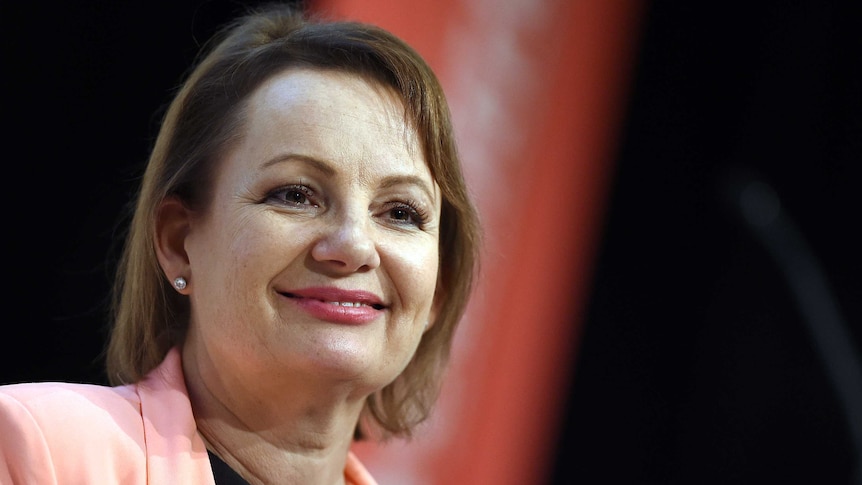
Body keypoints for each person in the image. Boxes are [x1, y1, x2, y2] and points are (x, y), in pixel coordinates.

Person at [0, 3, 481, 484]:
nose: (353, 245)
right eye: (296, 195)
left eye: (401, 213)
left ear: (439, 288)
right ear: (179, 242)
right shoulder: (35, 444)